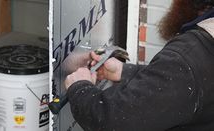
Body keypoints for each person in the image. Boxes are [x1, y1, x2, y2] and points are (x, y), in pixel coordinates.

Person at [64, 0, 214, 130]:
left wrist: (79, 88)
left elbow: (114, 122)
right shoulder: (193, 59)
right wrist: (126, 72)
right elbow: (184, 88)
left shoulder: (188, 57)